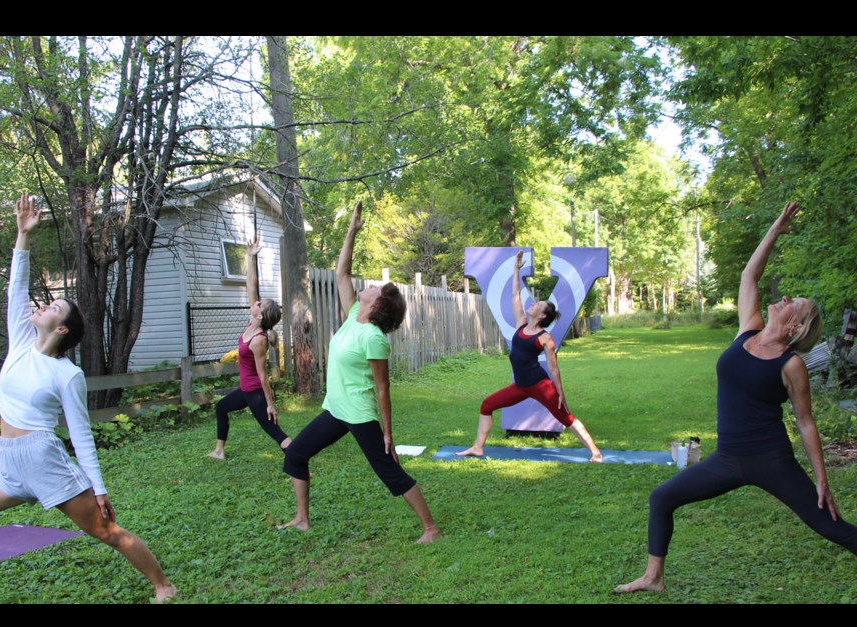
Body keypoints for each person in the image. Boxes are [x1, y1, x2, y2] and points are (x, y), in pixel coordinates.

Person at [0, 195, 176, 603]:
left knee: (106, 531)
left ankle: (163, 585)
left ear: (62, 329)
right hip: (10, 463)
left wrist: (98, 489)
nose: (45, 304)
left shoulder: (68, 374)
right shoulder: (20, 345)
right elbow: (16, 289)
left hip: (44, 460)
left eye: (55, 307)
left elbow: (81, 436)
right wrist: (22, 236)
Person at [616, 201, 857, 594]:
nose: (785, 298)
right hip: (727, 458)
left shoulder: (790, 364)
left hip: (771, 459)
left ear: (796, 325)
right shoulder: (749, 329)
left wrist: (822, 480)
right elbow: (750, 275)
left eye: (793, 302)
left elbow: (805, 422)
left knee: (829, 525)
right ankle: (653, 577)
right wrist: (775, 230)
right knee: (662, 497)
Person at [279, 201, 440, 544]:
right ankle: (302, 519)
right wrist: (352, 228)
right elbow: (342, 273)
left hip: (359, 413)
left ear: (378, 304)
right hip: (336, 408)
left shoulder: (373, 338)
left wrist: (388, 433)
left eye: (377, 290)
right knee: (295, 454)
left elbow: (383, 388)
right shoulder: (354, 314)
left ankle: (431, 529)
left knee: (388, 471)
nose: (369, 287)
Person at [457, 250, 603, 462]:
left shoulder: (545, 338)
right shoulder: (521, 325)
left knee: (566, 417)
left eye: (537, 305)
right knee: (486, 405)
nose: (532, 304)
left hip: (540, 385)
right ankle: (478, 447)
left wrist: (560, 393)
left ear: (542, 315)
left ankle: (595, 452)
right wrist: (516, 269)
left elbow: (553, 368)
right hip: (521, 386)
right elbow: (515, 295)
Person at [206, 235, 290, 460]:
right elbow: (251, 284)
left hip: (254, 392)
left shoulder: (259, 339)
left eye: (259, 304)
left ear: (260, 313)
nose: (255, 302)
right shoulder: (252, 324)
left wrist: (271, 405)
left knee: (274, 431)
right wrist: (251, 257)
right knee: (221, 408)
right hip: (246, 389)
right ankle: (219, 451)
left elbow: (263, 377)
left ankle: (298, 457)